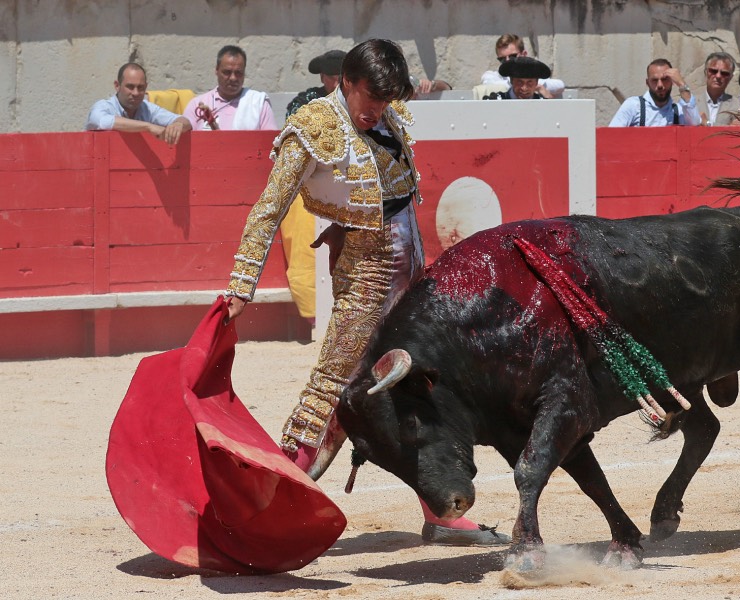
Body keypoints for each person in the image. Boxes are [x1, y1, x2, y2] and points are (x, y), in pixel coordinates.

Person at [223, 39, 510, 547]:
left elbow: (390, 193)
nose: (376, 110)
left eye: (385, 100)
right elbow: (269, 207)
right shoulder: (313, 126)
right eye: (369, 98)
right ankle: (262, 511)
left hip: (411, 269)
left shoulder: (386, 112)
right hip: (367, 279)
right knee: (336, 386)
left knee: (415, 387)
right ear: (346, 82)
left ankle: (441, 511)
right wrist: (242, 282)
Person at [85, 62, 191, 145]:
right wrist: (148, 127)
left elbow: (186, 122)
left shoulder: (148, 108)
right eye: (130, 87)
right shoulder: (104, 106)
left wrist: (178, 124)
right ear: (117, 86)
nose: (135, 93)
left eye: (140, 88)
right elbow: (101, 121)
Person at [183, 45, 278, 131]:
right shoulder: (197, 105)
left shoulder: (258, 104)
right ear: (217, 70)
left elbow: (270, 143)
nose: (233, 78)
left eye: (238, 73)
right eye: (227, 72)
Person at [609, 58, 701, 127]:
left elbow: (695, 125)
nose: (660, 85)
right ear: (647, 83)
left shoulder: (678, 111)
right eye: (654, 80)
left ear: (672, 81)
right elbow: (611, 137)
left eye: (665, 79)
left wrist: (682, 83)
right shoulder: (633, 106)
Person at [481, 33, 565, 98]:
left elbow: (560, 85)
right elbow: (487, 83)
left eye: (512, 56)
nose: (507, 61)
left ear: (524, 54)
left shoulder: (535, 71)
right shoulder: (494, 75)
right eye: (502, 59)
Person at [285, 49, 346, 119]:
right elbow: (293, 121)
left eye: (340, 78)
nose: (336, 85)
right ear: (322, 77)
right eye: (331, 78)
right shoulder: (306, 100)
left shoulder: (356, 100)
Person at [482, 56, 552, 100]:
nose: (524, 88)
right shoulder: (495, 102)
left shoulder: (543, 105)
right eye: (519, 82)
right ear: (511, 81)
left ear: (536, 83)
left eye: (529, 82)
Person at [701, 51, 740, 126]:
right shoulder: (692, 104)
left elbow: (736, 132)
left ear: (730, 77)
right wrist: (728, 127)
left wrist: (707, 124)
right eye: (713, 71)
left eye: (724, 73)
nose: (718, 76)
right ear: (706, 72)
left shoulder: (737, 106)